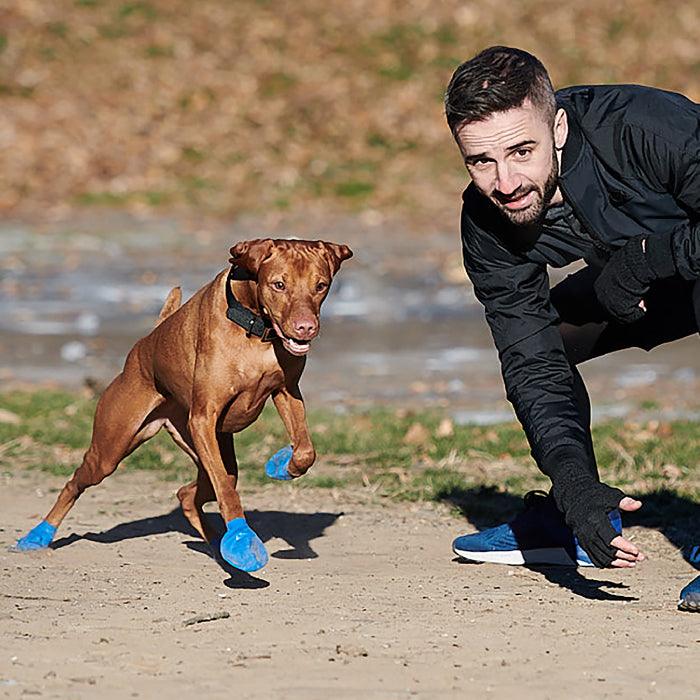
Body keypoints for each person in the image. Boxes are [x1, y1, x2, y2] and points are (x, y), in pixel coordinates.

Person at [444, 46, 699, 609]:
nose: (505, 181)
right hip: (642, 283)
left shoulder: (644, 127)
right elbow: (529, 357)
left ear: (557, 126)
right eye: (480, 161)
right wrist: (573, 484)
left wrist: (648, 260)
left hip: (673, 265)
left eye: (521, 150)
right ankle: (572, 520)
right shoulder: (487, 221)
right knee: (549, 340)